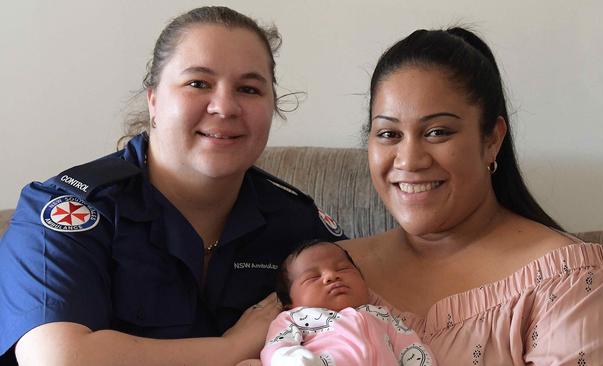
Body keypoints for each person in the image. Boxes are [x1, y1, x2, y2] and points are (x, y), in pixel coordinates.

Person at [0, 6, 345, 366]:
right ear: (154, 100)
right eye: (198, 83)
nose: (225, 107)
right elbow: (58, 358)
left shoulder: (295, 221)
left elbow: (371, 316)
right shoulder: (68, 210)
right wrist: (231, 348)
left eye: (248, 88)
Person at [341, 27, 603, 364]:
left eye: (438, 132)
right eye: (388, 133)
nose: (410, 159)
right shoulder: (326, 272)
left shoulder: (573, 285)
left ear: (491, 140)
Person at [260, 239, 434, 366]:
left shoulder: (382, 315)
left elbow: (412, 349)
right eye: (313, 277)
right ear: (290, 303)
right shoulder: (292, 318)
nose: (331, 276)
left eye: (343, 268)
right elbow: (277, 348)